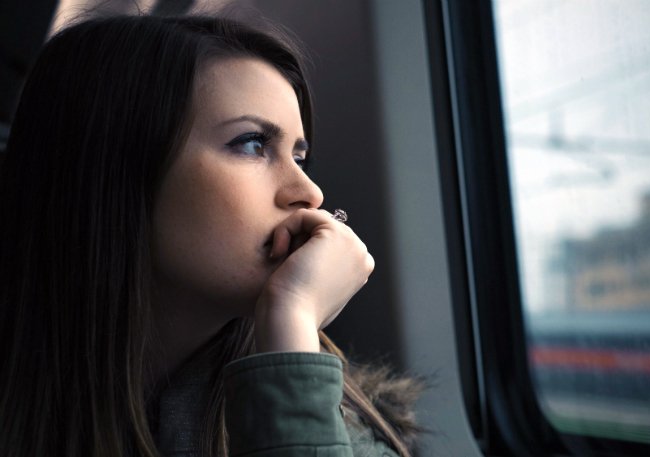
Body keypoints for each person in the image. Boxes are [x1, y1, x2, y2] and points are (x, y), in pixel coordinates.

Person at [0, 14, 423, 457]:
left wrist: (290, 323)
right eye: (252, 143)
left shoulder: (343, 424)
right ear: (111, 172)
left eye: (299, 157)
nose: (310, 193)